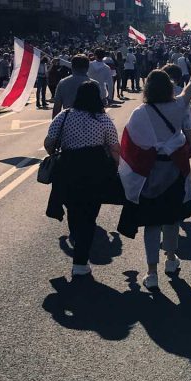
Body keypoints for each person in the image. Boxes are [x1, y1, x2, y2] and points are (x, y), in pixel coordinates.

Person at [117, 69, 191, 292]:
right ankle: (171, 260)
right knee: (172, 220)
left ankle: (152, 273)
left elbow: (130, 144)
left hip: (150, 175)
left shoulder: (140, 113)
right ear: (170, 88)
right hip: (175, 171)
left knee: (152, 225)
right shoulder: (179, 106)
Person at [44, 80, 120, 279]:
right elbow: (114, 147)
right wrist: (116, 167)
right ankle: (80, 262)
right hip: (95, 171)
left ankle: (77, 241)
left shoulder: (65, 115)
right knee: (89, 214)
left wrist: (55, 151)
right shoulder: (104, 120)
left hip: (68, 169)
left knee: (73, 210)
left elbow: (49, 142)